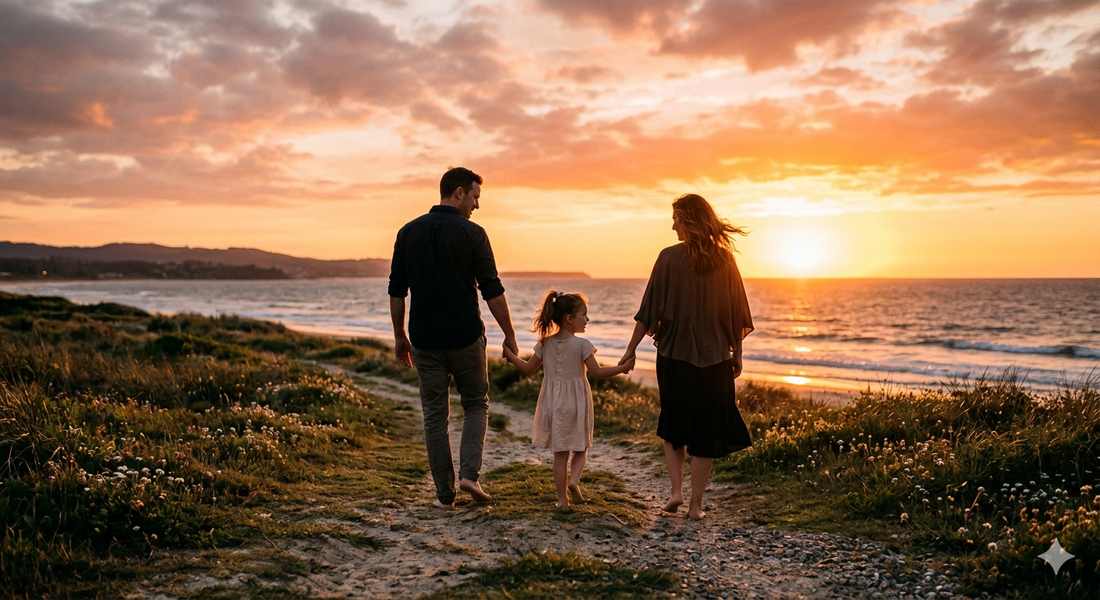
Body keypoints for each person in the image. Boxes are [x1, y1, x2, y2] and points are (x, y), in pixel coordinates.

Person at [388, 166, 519, 510]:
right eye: (475, 196)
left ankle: (445, 497)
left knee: (435, 416)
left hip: (425, 340)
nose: (477, 205)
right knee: (476, 403)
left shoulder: (407, 232)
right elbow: (492, 290)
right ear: (459, 192)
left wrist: (399, 336)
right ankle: (469, 476)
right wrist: (509, 334)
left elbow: (397, 291)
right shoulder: (473, 234)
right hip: (465, 337)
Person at [620, 194, 754, 520]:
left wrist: (631, 348)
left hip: (674, 355)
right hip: (716, 358)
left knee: (673, 425)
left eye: (676, 219)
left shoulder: (667, 258)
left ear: (689, 220)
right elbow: (735, 313)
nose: (673, 225)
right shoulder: (725, 261)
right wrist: (738, 352)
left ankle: (676, 492)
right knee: (706, 432)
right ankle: (695, 506)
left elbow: (648, 311)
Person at [502, 290, 636, 507]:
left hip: (553, 403)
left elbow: (527, 369)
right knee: (581, 447)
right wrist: (622, 368)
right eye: (584, 314)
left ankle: (562, 500)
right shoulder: (582, 345)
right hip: (576, 402)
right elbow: (597, 373)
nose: (587, 319)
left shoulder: (545, 344)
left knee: (560, 454)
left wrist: (510, 356)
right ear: (569, 318)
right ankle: (574, 481)